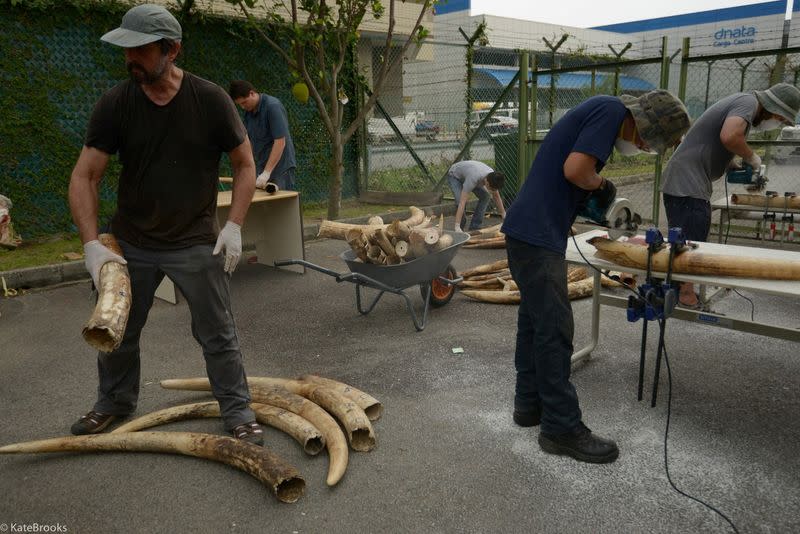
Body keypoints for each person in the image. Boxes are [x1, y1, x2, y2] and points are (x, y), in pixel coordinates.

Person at [67, 4, 264, 445]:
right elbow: (85, 175)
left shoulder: (210, 100)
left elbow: (245, 163)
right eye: (126, 51)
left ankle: (237, 410)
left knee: (217, 332)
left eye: (139, 50)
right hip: (132, 240)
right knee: (117, 329)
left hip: (194, 239)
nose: (129, 59)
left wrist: (233, 226)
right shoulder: (116, 104)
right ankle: (113, 403)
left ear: (170, 50)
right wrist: (91, 245)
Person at [501, 90, 690, 464]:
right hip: (537, 235)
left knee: (534, 322)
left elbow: (568, 177)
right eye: (646, 140)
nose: (641, 145)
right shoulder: (610, 110)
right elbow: (576, 171)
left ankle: (528, 406)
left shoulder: (601, 109)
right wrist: (602, 186)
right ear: (643, 122)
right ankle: (560, 428)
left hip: (527, 230)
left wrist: (594, 194)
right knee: (555, 328)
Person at [661, 82, 800, 308]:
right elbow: (729, 136)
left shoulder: (741, 103)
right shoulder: (747, 103)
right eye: (781, 119)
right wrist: (752, 158)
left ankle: (678, 288)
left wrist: (730, 163)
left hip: (686, 179)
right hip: (687, 181)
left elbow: (713, 141)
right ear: (773, 108)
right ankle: (685, 295)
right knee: (691, 236)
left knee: (688, 234)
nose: (778, 123)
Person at [229, 80, 297, 192]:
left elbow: (280, 142)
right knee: (263, 206)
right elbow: (248, 142)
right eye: (240, 104)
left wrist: (266, 173)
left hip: (281, 169)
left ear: (252, 93)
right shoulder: (249, 112)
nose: (242, 107)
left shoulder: (272, 107)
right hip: (262, 167)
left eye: (244, 102)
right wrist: (246, 168)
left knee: (281, 205)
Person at [446, 160, 506, 232]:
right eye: (492, 189)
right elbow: (462, 202)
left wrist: (504, 215)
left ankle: (475, 227)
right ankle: (459, 229)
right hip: (455, 176)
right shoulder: (474, 178)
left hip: (470, 175)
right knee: (460, 200)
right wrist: (457, 226)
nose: (493, 191)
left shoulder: (493, 177)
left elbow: (496, 196)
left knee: (485, 196)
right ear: (486, 182)